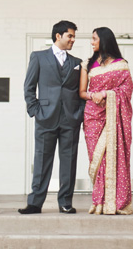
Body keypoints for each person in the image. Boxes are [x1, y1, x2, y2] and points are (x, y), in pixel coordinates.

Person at [19, 20, 85, 214]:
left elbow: (81, 91)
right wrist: (35, 111)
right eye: (70, 36)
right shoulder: (38, 57)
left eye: (73, 36)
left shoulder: (77, 63)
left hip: (70, 119)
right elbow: (29, 87)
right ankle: (35, 203)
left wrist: (78, 114)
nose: (73, 39)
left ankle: (65, 202)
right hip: (45, 117)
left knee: (69, 161)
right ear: (58, 36)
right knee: (41, 159)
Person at [78, 27, 133, 215]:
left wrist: (106, 94)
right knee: (97, 158)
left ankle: (117, 202)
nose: (91, 42)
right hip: (93, 116)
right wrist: (94, 95)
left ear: (104, 40)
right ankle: (99, 201)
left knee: (115, 155)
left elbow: (127, 90)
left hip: (114, 115)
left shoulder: (121, 64)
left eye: (94, 39)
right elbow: (82, 92)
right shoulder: (87, 64)